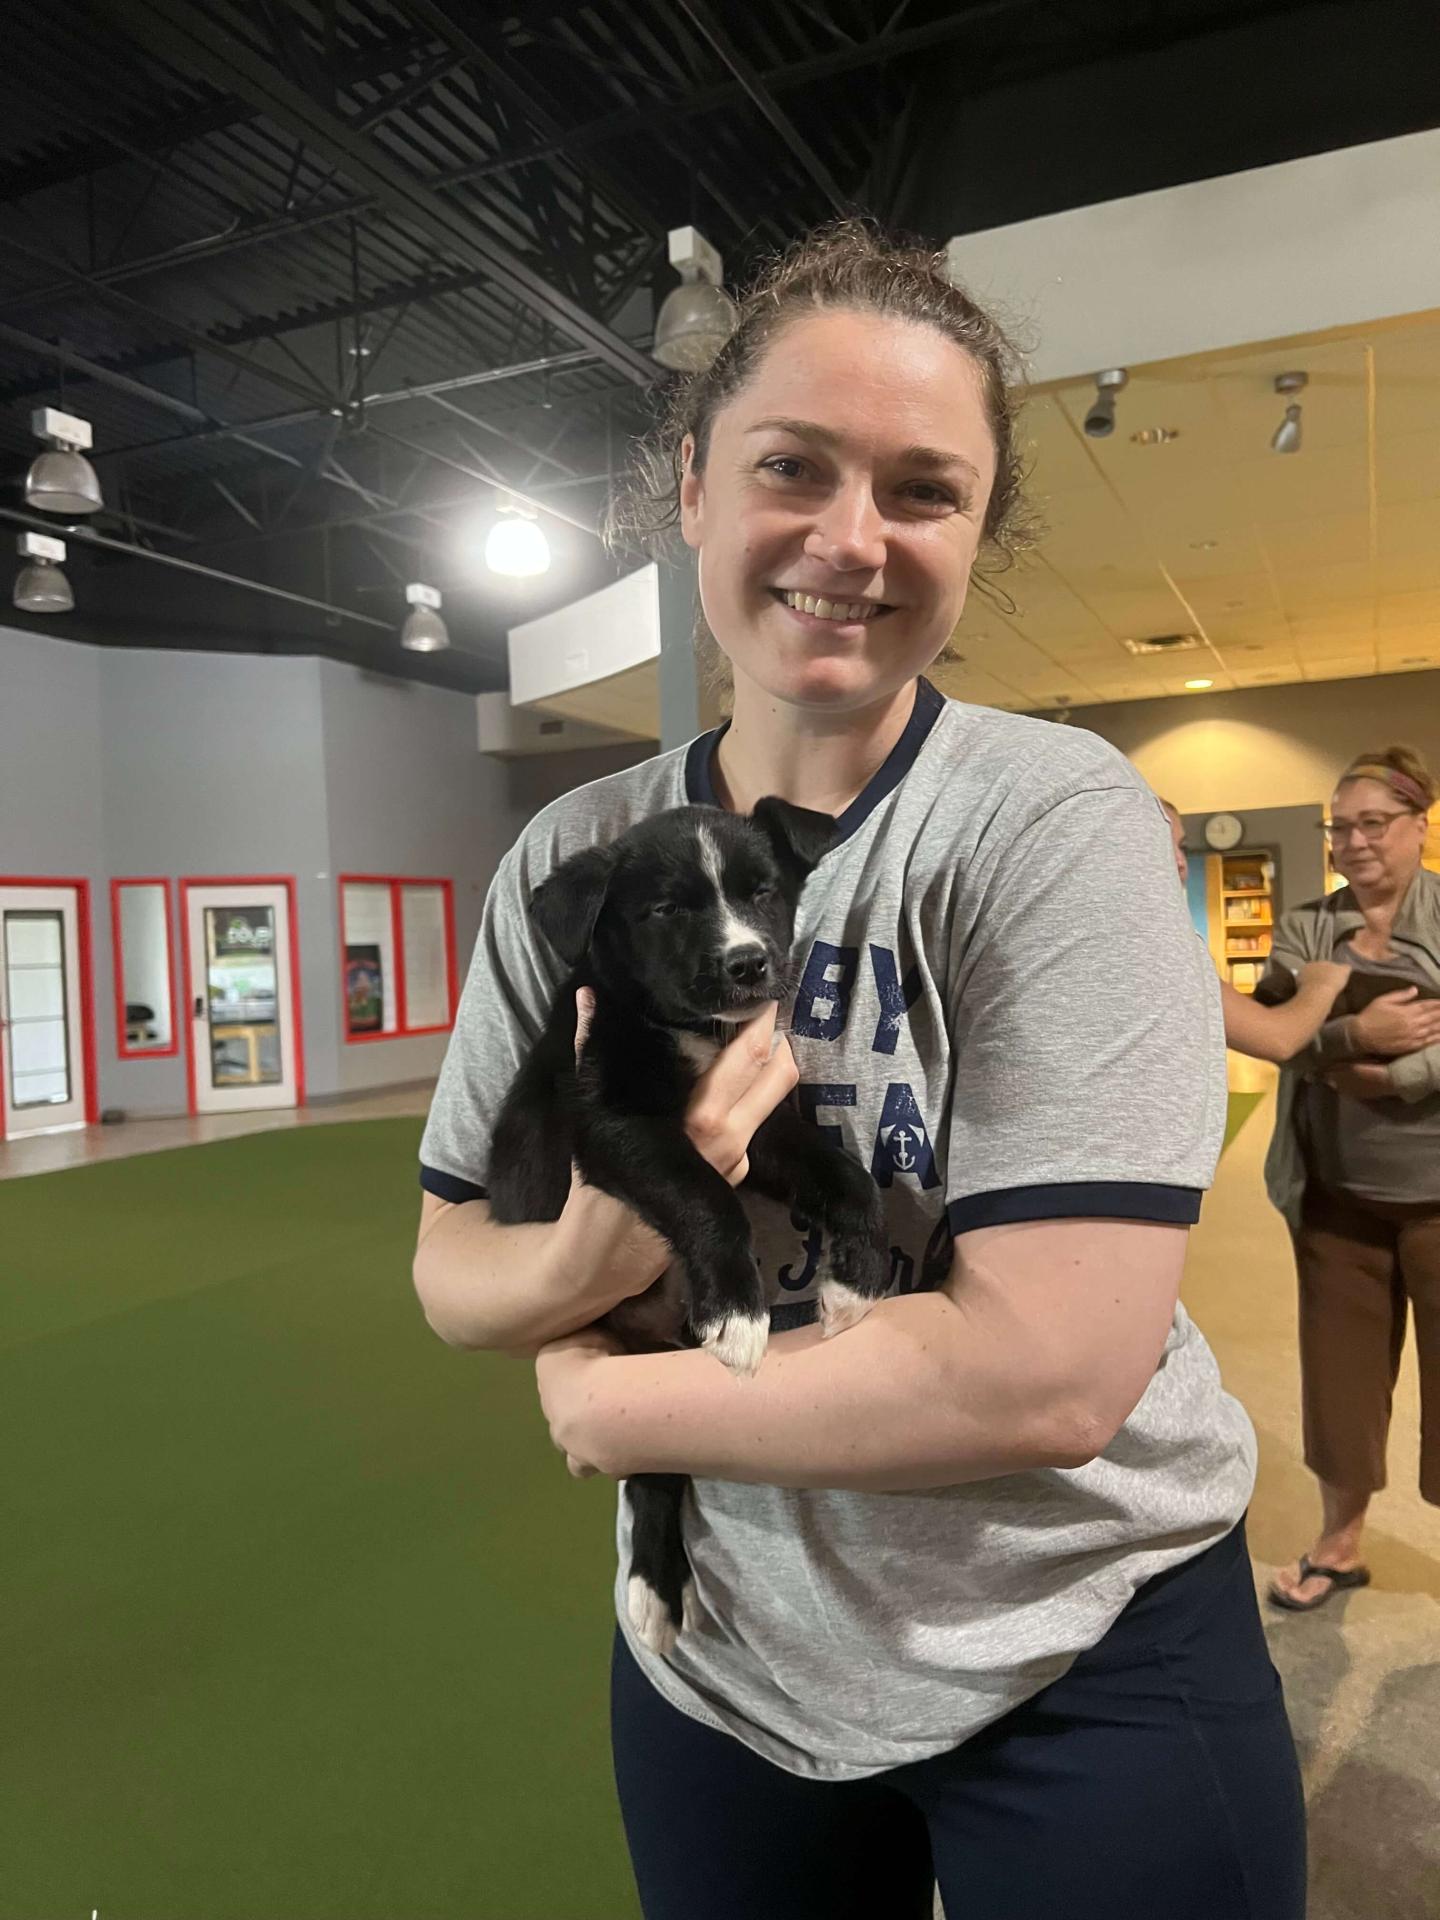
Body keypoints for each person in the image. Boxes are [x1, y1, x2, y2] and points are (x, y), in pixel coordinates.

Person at [413, 223, 1305, 1919]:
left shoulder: (1046, 823)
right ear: (689, 488)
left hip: (1075, 1642)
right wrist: (589, 1255)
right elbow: (454, 1269)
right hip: (723, 1668)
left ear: (979, 534)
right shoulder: (576, 856)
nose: (850, 538)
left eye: (922, 490)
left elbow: (1050, 1381)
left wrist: (608, 1394)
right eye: (791, 467)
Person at [1254, 747, 1440, 1612]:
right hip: (1335, 1199)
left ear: (1419, 826)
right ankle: (1340, 1541)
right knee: (1339, 1380)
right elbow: (1275, 1032)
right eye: (1341, 826)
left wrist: (1392, 1075)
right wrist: (1357, 1041)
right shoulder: (1305, 928)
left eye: (1375, 823)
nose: (1355, 842)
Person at [1158, 798, 1353, 1061]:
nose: (1181, 863)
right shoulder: (1150, 948)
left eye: (1182, 847)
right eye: (1160, 846)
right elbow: (1276, 1039)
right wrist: (1323, 984)